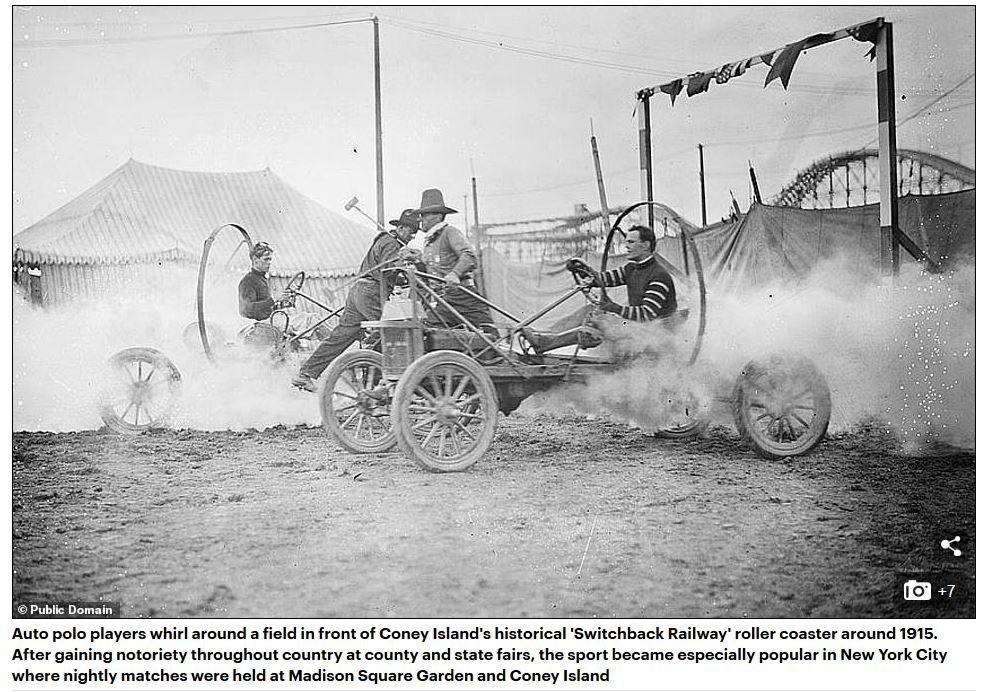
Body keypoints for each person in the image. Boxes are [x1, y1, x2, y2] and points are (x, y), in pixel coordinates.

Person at [291, 210, 420, 392]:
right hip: (371, 292)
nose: (413, 236)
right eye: (411, 231)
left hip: (358, 290)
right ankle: (376, 383)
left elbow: (386, 271)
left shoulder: (384, 241)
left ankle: (306, 373)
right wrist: (408, 263)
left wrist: (401, 270)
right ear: (400, 228)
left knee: (341, 336)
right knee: (392, 332)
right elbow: (388, 270)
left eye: (415, 232)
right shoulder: (392, 244)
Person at [523, 225, 677, 352]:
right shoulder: (632, 268)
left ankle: (546, 342)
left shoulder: (658, 275)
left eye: (631, 242)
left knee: (600, 319)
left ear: (645, 245)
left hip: (653, 334)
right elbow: (604, 278)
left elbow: (646, 314)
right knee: (589, 310)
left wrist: (614, 307)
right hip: (637, 327)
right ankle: (546, 337)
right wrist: (582, 271)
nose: (626, 246)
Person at [412, 188, 496, 334]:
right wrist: (417, 261)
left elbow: (469, 256)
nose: (420, 219)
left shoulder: (449, 232)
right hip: (443, 300)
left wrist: (455, 274)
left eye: (424, 215)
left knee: (489, 336)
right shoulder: (430, 242)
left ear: (438, 216)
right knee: (430, 333)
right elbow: (430, 272)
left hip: (463, 296)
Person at [238, 241, 330, 341]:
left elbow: (263, 309)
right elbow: (246, 310)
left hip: (269, 321)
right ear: (255, 260)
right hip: (259, 325)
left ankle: (332, 343)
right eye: (266, 259)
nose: (269, 263)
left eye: (270, 259)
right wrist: (274, 299)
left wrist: (283, 304)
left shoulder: (262, 279)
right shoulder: (248, 281)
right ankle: (336, 342)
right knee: (311, 320)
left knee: (314, 319)